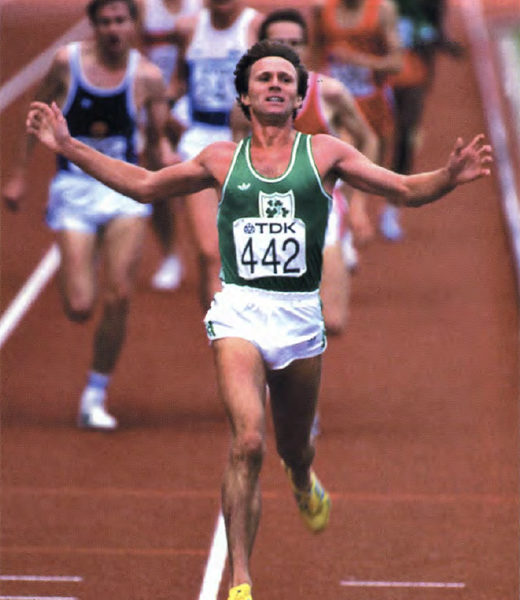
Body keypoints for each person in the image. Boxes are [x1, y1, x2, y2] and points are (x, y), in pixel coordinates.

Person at [26, 40, 492, 600]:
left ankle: (301, 477)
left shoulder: (325, 154)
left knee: (293, 447)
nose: (276, 85)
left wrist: (449, 174)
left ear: (299, 96)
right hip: (239, 310)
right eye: (264, 78)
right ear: (245, 95)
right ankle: (241, 580)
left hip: (298, 317)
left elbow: (403, 189)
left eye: (286, 79)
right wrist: (69, 145)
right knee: (247, 441)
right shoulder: (221, 159)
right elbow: (145, 184)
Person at [2, 0, 172, 430]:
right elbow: (36, 116)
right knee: (79, 306)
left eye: (122, 20)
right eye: (106, 21)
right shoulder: (67, 64)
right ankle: (86, 254)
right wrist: (19, 175)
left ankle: (95, 392)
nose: (115, 29)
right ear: (93, 26)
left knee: (118, 294)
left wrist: (168, 160)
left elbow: (157, 137)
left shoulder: (147, 77)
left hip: (123, 192)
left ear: (134, 24)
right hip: (75, 191)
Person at [252, 7, 379, 337]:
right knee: (271, 322)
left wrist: (360, 204)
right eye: (279, 41)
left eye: (296, 42)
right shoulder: (246, 99)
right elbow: (235, 152)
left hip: (322, 208)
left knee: (332, 322)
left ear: (308, 47)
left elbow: (368, 139)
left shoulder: (329, 93)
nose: (288, 49)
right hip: (268, 215)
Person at [167, 0, 264, 310]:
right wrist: (165, 125)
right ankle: (221, 336)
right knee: (210, 252)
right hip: (199, 142)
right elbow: (179, 81)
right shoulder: (188, 28)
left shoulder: (256, 28)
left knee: (251, 251)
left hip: (248, 145)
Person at [315, 0, 405, 241]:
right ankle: (346, 225)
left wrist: (358, 60)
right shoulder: (323, 11)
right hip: (335, 101)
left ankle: (366, 209)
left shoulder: (382, 11)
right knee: (338, 156)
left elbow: (397, 64)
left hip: (371, 100)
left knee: (372, 161)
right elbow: (313, 55)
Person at [137, 0, 203, 290]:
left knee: (203, 177)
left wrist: (179, 89)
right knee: (157, 179)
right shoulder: (144, 6)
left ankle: (209, 249)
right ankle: (170, 255)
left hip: (190, 100)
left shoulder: (200, 6)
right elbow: (135, 50)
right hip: (153, 100)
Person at [390, 0, 464, 177]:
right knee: (385, 126)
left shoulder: (431, 4)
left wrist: (443, 43)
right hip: (384, 73)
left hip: (414, 73)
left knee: (406, 125)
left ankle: (399, 175)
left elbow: (437, 32)